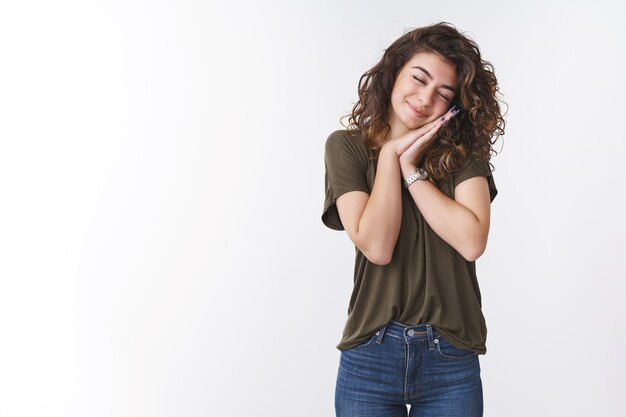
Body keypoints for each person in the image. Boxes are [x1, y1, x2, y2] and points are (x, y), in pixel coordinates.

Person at [321, 22, 506, 417]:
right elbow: (377, 246)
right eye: (419, 79)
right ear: (393, 73)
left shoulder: (463, 153)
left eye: (443, 93)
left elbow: (472, 240)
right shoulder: (347, 149)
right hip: (370, 354)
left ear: (454, 105)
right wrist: (389, 156)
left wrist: (411, 170)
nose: (425, 99)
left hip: (450, 357)